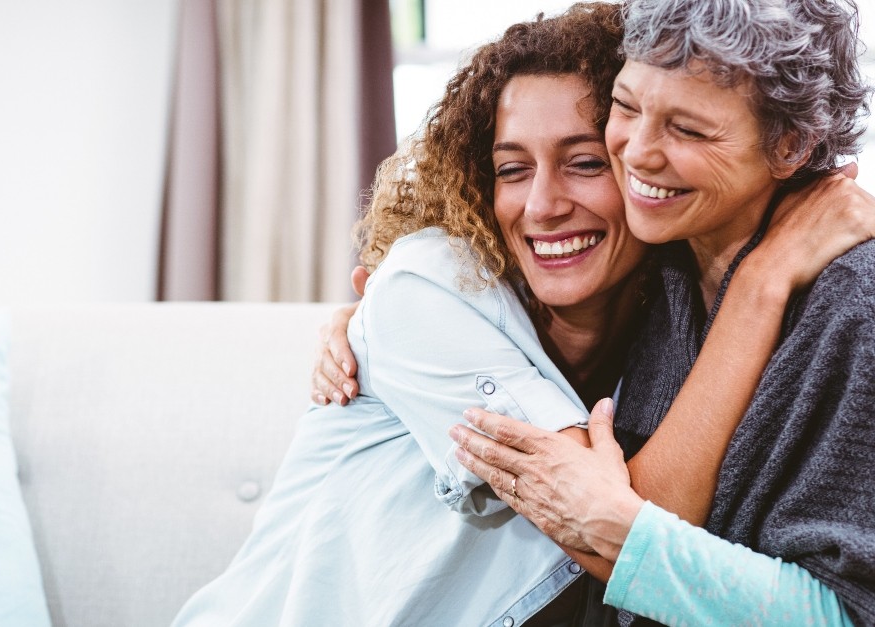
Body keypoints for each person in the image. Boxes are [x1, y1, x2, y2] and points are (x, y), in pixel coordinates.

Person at [186, 3, 869, 625]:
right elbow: (609, 520)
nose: (640, 154)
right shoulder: (448, 286)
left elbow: (616, 527)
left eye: (584, 160)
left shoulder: (682, 288)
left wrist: (759, 285)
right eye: (511, 170)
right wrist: (760, 288)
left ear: (789, 146)